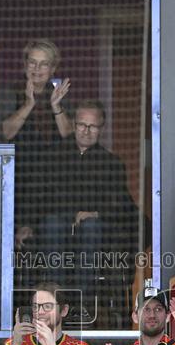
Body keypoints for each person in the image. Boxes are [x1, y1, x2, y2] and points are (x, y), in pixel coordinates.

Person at [16, 100, 138, 305]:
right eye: (82, 125)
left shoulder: (111, 163)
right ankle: (56, 301)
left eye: (93, 126)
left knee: (91, 227)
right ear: (73, 125)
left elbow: (121, 206)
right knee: (53, 224)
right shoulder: (51, 157)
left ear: (101, 128)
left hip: (93, 235)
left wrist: (96, 214)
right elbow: (34, 196)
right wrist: (25, 225)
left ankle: (83, 304)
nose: (86, 131)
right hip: (53, 232)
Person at [0, 39, 73, 209]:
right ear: (25, 65)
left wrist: (56, 106)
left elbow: (70, 136)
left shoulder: (60, 94)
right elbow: (6, 133)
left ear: (53, 69)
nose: (37, 69)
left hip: (53, 180)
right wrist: (28, 105)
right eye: (32, 63)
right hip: (17, 177)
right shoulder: (9, 92)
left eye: (44, 64)